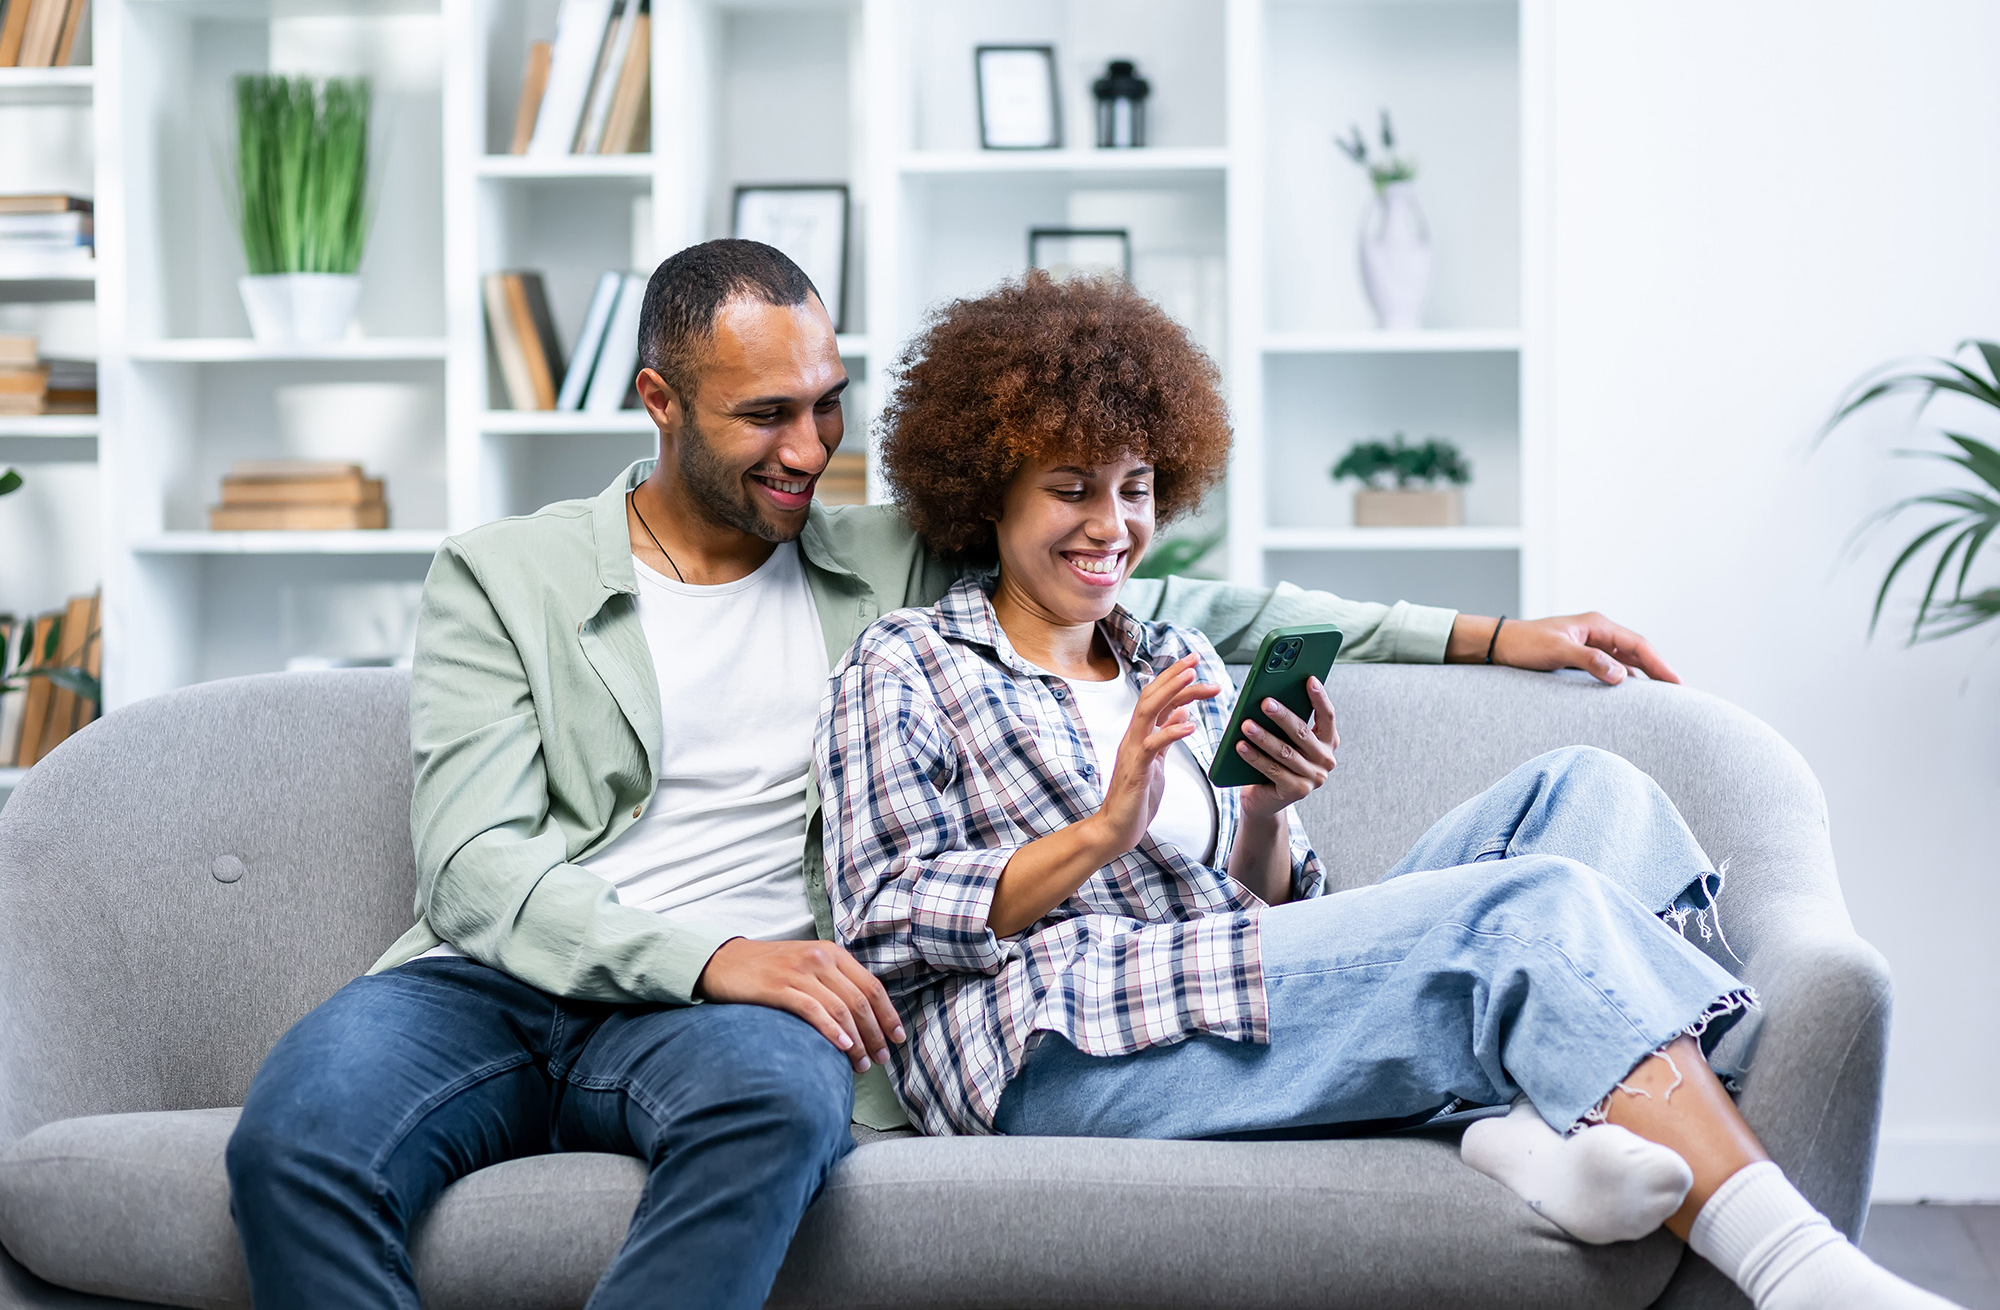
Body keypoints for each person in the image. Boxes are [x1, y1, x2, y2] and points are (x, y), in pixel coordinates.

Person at [225, 239, 1703, 1310]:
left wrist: (1496, 631)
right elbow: (477, 868)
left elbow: (1175, 589)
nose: (812, 451)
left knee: (774, 1114)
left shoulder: (877, 556)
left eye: (828, 402)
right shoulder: (508, 574)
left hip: (767, 997)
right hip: (505, 982)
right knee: (297, 1138)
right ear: (658, 403)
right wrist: (716, 954)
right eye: (765, 417)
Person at [817, 272, 1955, 1310]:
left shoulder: (1170, 652)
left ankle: (1527, 1117)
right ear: (986, 495)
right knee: (1529, 908)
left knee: (1589, 793)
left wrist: (1262, 813)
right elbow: (890, 923)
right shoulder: (908, 662)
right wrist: (1101, 832)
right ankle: (1799, 1272)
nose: (1110, 526)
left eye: (1135, 488)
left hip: (1218, 980)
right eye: (1069, 490)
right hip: (1050, 1045)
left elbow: (1268, 906)